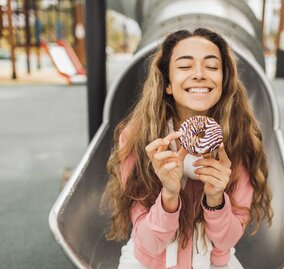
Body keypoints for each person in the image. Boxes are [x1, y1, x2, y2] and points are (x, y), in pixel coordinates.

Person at [101, 27, 273, 269]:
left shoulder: (241, 139)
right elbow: (149, 243)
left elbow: (227, 239)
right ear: (168, 83)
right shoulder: (138, 138)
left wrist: (215, 199)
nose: (200, 74)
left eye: (212, 67)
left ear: (223, 81)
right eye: (184, 66)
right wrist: (169, 194)